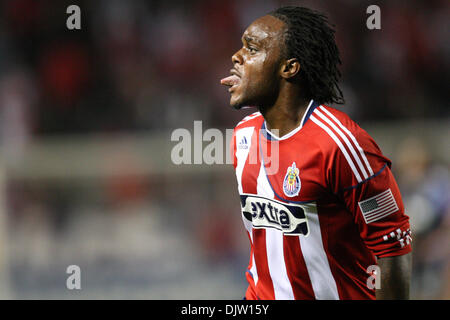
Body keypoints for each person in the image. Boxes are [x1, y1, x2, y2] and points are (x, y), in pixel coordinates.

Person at [220, 6, 412, 300]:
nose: (237, 56)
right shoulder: (243, 136)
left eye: (252, 48)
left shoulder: (344, 145)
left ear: (289, 67)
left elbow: (393, 249)